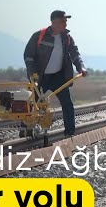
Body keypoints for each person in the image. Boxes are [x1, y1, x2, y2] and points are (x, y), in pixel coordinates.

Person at [23, 10, 87, 138]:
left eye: (66, 21)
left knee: (67, 104)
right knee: (32, 103)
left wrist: (81, 67)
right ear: (55, 22)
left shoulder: (67, 38)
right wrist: (32, 74)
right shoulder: (39, 36)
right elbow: (28, 55)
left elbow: (75, 54)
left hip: (58, 76)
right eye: (63, 21)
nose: (66, 24)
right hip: (40, 77)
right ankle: (25, 129)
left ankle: (69, 132)